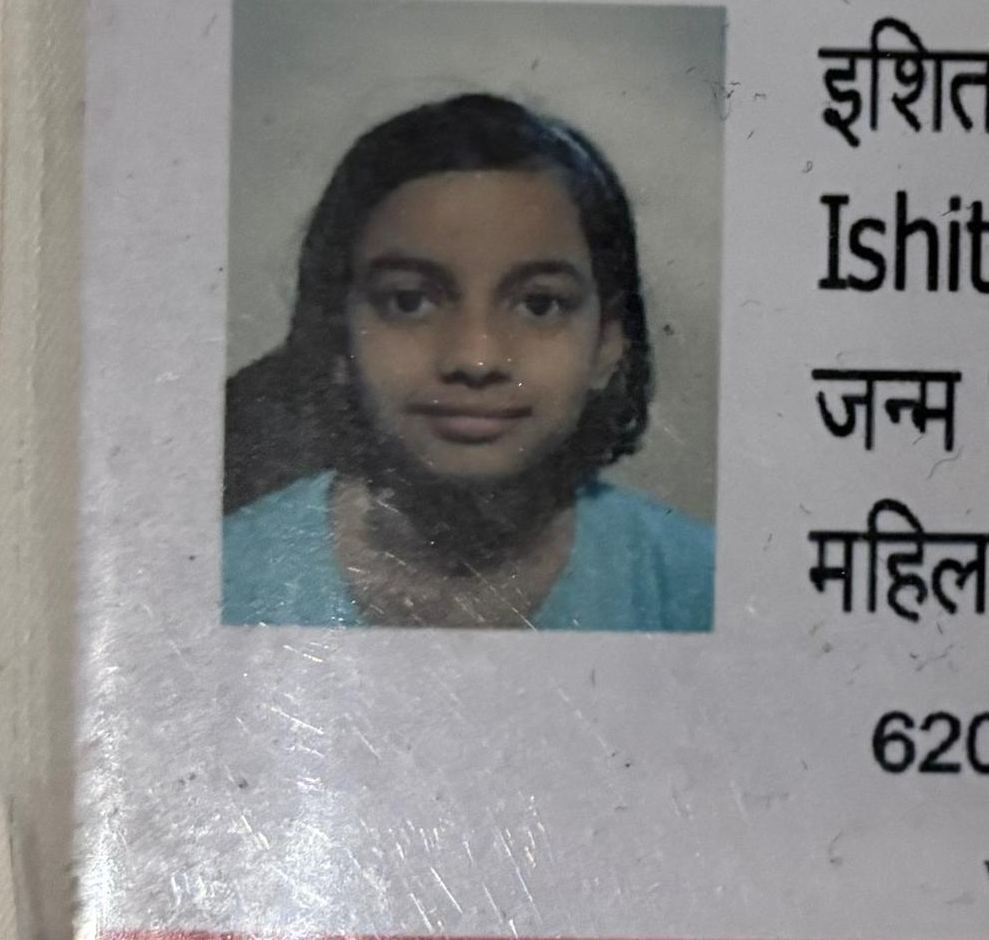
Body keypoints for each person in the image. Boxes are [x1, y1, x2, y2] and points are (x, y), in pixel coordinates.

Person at [221, 91, 715, 630]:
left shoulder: (697, 583)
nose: (476, 359)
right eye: (409, 301)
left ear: (607, 343)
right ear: (338, 339)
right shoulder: (225, 578)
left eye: (539, 305)